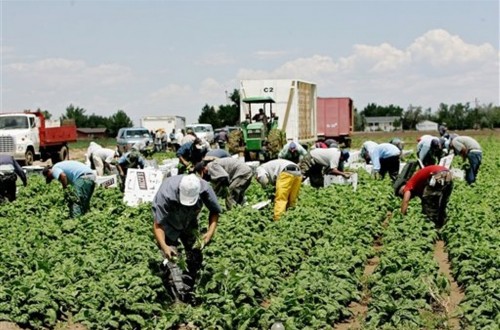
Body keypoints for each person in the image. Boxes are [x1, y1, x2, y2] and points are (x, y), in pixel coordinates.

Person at [152, 174, 222, 301]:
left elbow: (215, 211)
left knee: (195, 254)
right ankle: (177, 296)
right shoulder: (166, 193)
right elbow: (158, 224)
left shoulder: (205, 189)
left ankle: (192, 286)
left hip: (190, 222)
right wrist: (164, 246)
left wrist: (209, 233)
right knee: (171, 260)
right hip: (169, 225)